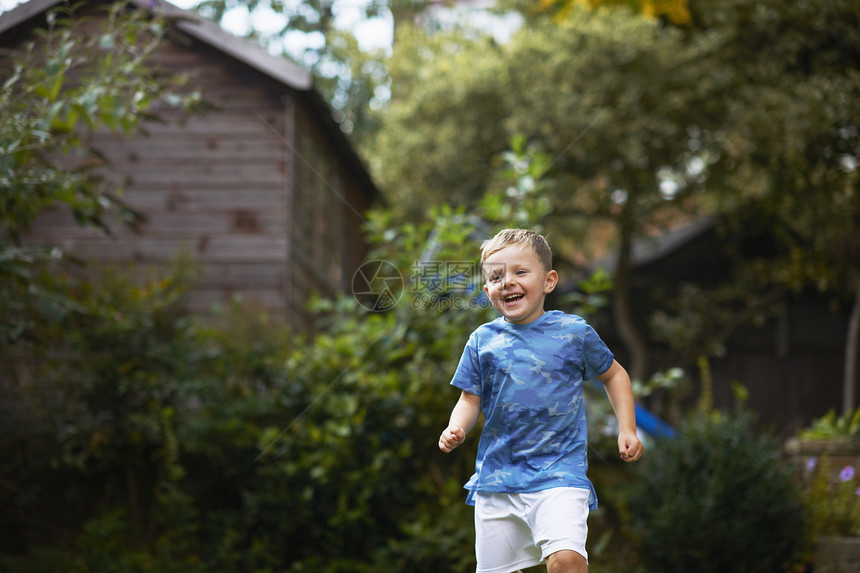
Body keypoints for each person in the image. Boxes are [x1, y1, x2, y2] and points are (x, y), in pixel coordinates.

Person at [438, 228, 643, 573]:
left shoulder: (573, 333)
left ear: (548, 281)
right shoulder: (481, 341)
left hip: (559, 472)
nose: (508, 282)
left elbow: (615, 375)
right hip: (498, 478)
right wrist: (455, 427)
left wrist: (628, 429)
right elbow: (469, 399)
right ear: (487, 290)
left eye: (520, 272)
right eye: (497, 276)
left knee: (566, 560)